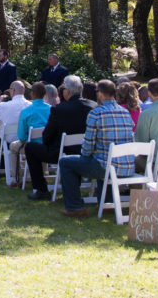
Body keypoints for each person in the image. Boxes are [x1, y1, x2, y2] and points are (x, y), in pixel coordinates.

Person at [57, 80, 134, 218]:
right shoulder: (125, 112)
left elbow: (88, 145)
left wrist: (85, 156)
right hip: (127, 165)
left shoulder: (96, 113)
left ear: (101, 94)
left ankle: (75, 207)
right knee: (101, 159)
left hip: (107, 166)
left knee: (66, 162)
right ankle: (107, 203)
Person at [26, 75, 96, 200]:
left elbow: (47, 135)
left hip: (61, 152)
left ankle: (41, 190)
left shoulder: (59, 109)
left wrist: (50, 143)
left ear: (67, 92)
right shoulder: (93, 106)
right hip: (88, 151)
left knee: (30, 148)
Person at [7, 82, 50, 186]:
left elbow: (22, 136)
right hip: (48, 145)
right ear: (44, 94)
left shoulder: (26, 111)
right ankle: (43, 173)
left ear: (32, 94)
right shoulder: (51, 109)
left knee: (13, 147)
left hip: (31, 146)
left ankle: (16, 178)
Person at [0, 80, 30, 148]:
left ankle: (1, 152)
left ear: (13, 90)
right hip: (26, 142)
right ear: (23, 91)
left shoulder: (3, 106)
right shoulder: (31, 106)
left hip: (7, 143)